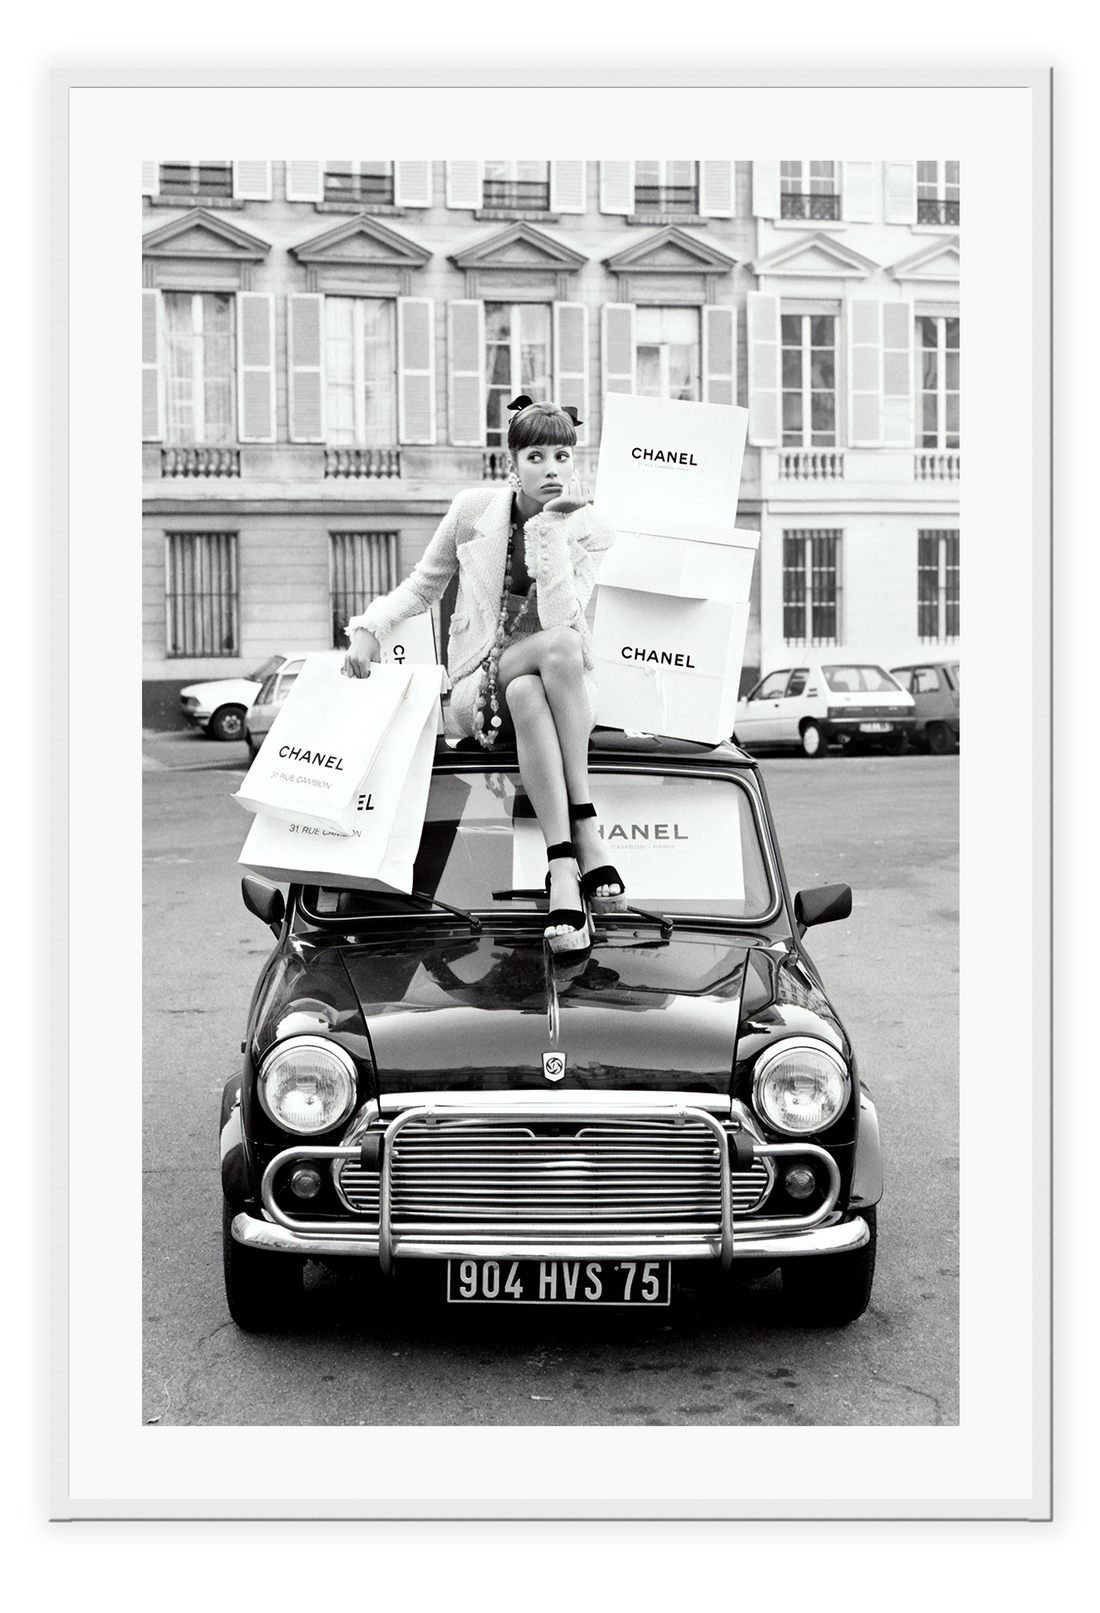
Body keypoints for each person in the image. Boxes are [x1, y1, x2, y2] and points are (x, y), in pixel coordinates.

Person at [343, 396, 625, 954]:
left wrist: (551, 531)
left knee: (534, 681)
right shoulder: (472, 511)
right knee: (558, 651)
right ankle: (587, 823)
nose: (551, 469)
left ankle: (562, 864)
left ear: (576, 463)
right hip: (477, 681)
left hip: (551, 684)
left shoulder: (592, 529)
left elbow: (561, 617)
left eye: (563, 456)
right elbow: (424, 586)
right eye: (536, 456)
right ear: (511, 466)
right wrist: (369, 628)